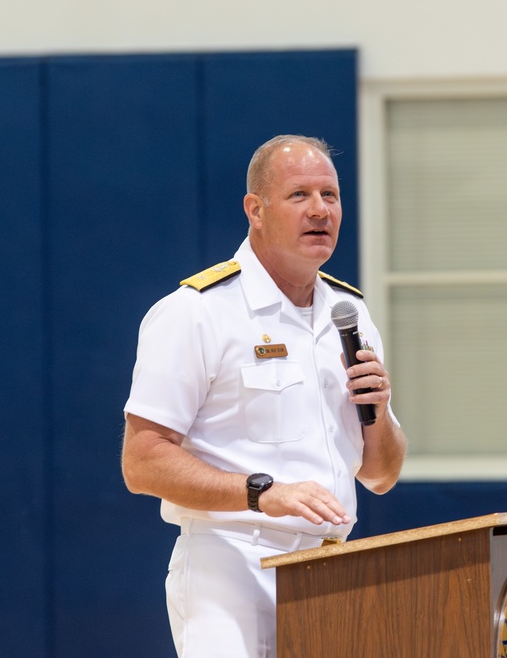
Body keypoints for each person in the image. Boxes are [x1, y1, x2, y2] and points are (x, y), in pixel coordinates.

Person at [121, 134, 407, 658]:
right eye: (300, 195)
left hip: (332, 571)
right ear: (256, 209)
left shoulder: (352, 313)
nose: (320, 210)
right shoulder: (197, 312)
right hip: (232, 565)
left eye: (331, 195)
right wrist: (261, 491)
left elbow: (381, 475)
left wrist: (379, 411)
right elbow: (142, 463)